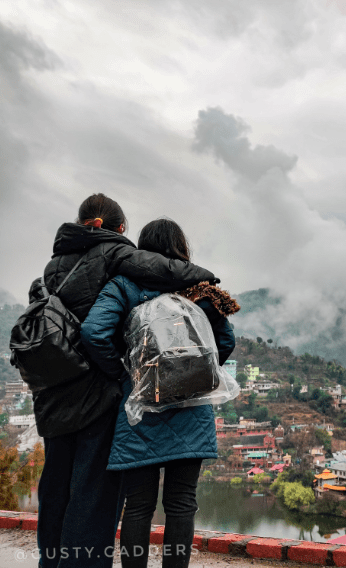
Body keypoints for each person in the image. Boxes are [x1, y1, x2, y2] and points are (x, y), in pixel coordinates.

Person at [29, 194, 216, 568]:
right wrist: (205, 278)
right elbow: (100, 328)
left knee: (58, 490)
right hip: (98, 395)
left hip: (53, 394)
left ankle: (52, 561)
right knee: (97, 494)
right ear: (119, 229)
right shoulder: (115, 256)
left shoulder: (53, 267)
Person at [80, 218, 239, 568]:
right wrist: (195, 376)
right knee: (182, 502)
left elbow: (94, 332)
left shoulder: (124, 284)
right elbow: (225, 341)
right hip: (191, 410)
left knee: (138, 504)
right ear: (181, 248)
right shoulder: (199, 287)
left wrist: (128, 375)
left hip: (141, 409)